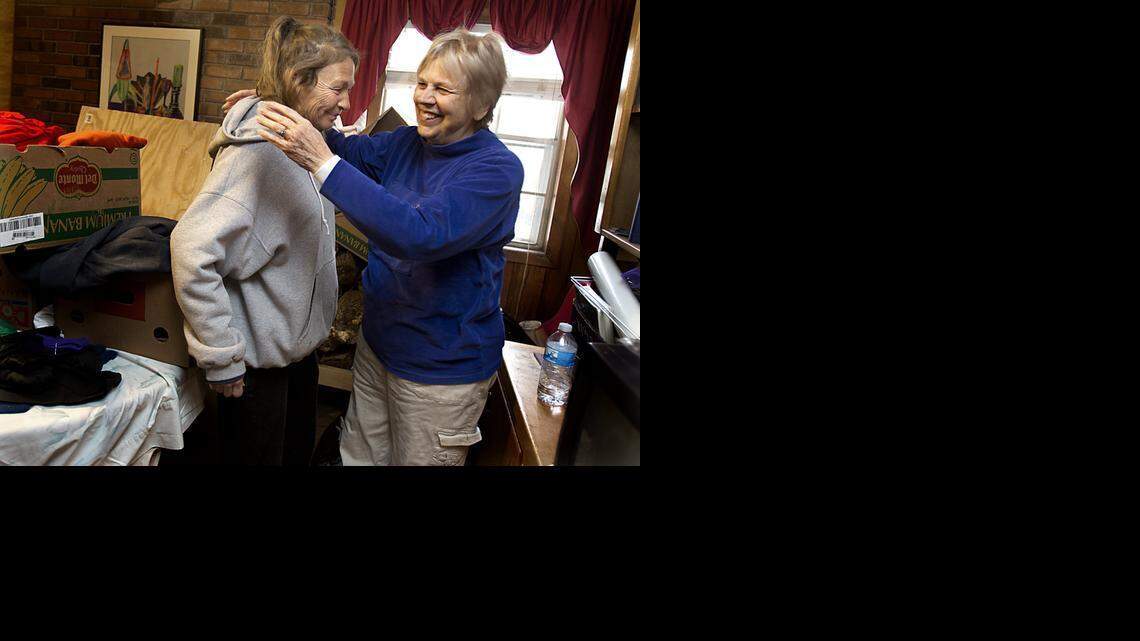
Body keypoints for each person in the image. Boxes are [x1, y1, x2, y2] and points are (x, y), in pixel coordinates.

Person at [224, 27, 523, 466]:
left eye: (442, 89)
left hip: (439, 373)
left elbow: (420, 234)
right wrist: (283, 104)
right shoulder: (406, 143)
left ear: (481, 105)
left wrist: (322, 162)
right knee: (357, 457)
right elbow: (340, 146)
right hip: (378, 348)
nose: (424, 97)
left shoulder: (496, 171)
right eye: (422, 83)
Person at [172, 16, 358, 465]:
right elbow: (191, 250)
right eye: (338, 89)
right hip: (255, 371)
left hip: (295, 358)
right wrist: (221, 358)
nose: (347, 103)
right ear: (298, 81)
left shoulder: (305, 143)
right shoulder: (258, 155)